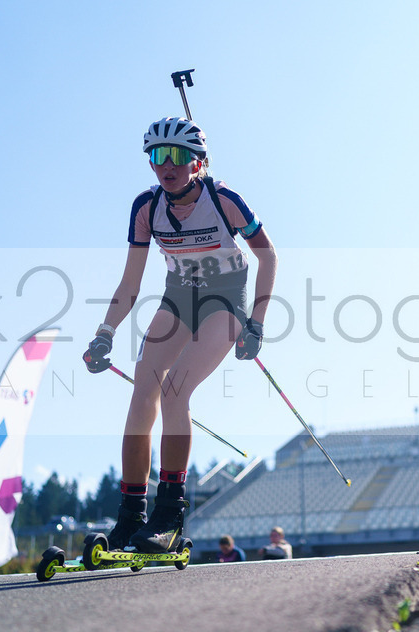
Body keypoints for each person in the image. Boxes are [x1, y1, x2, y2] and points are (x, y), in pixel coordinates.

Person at [85, 117, 277, 554]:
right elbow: (130, 282)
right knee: (142, 394)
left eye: (176, 156)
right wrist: (104, 333)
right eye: (156, 156)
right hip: (178, 300)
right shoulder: (145, 208)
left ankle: (170, 515)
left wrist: (258, 323)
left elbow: (269, 258)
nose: (165, 165)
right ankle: (131, 516)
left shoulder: (225, 199)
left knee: (175, 392)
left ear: (197, 162)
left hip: (224, 302)